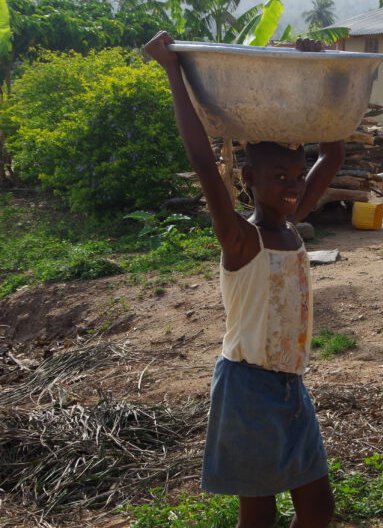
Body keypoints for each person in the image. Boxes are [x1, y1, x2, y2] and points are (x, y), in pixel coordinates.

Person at [144, 31, 345, 528]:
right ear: (250, 178)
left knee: (318, 510)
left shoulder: (293, 228)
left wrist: (319, 75)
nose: (294, 185)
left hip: (290, 385)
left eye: (298, 176)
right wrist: (174, 71)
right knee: (258, 517)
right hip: (247, 388)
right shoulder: (242, 239)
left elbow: (334, 154)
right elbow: (203, 165)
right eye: (279, 177)